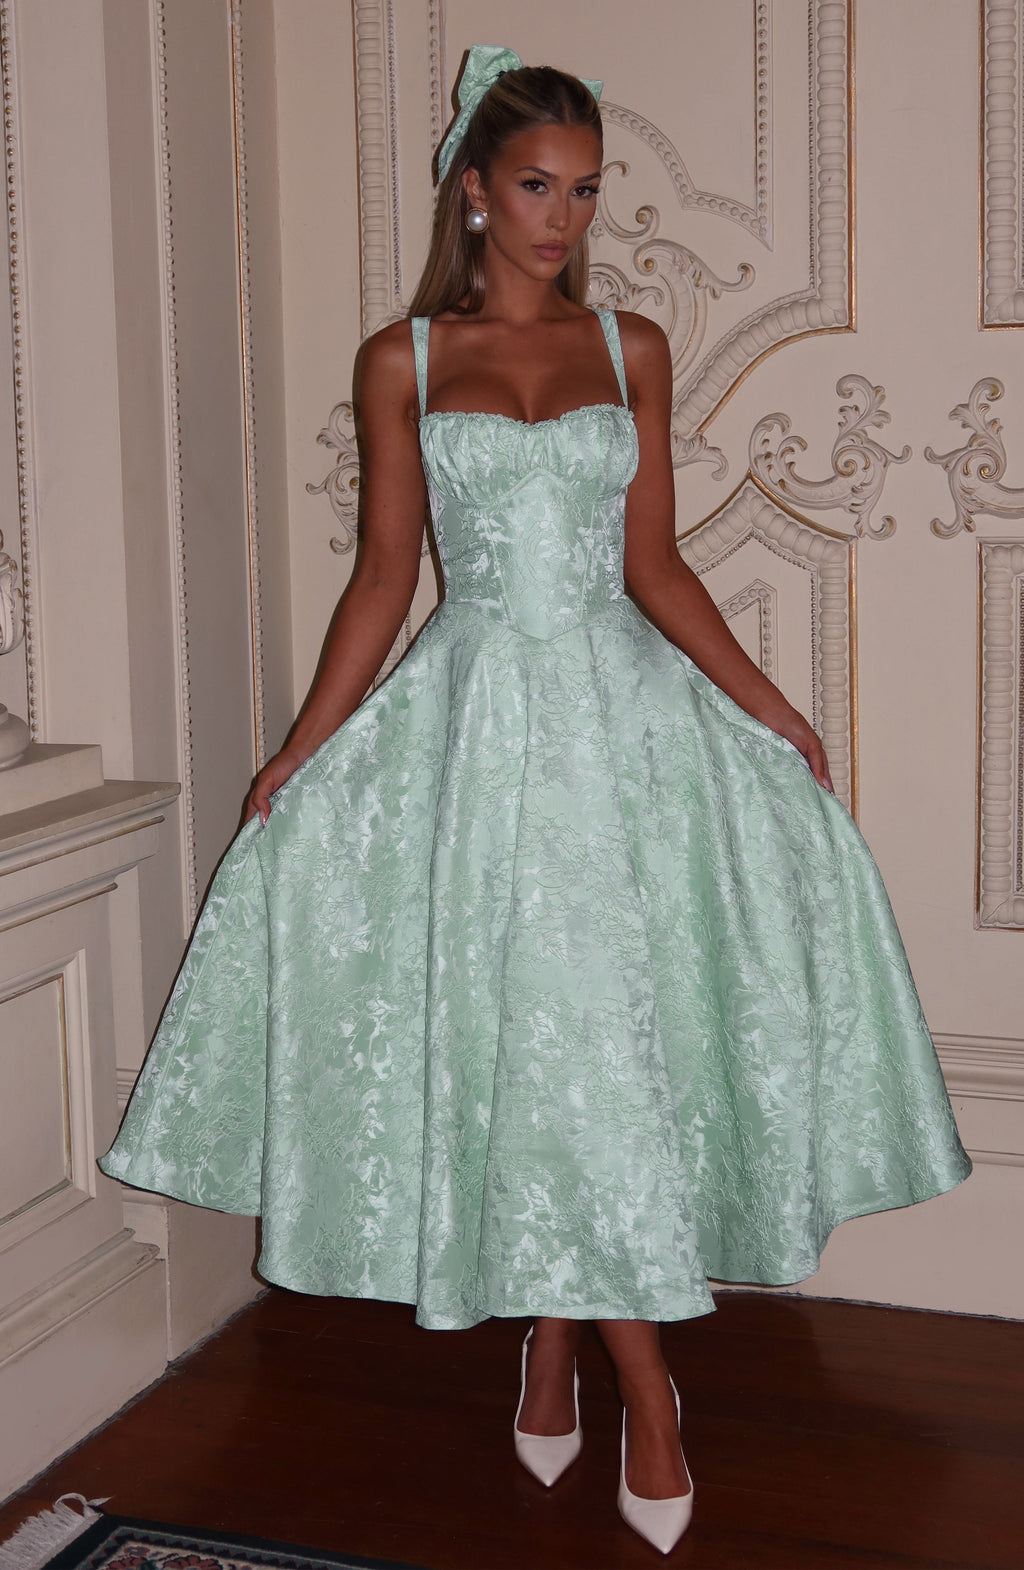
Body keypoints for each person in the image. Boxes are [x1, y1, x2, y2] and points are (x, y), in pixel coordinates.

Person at [101, 46, 971, 1556]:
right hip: (475, 731)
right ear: (474, 191)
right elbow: (387, 576)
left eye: (585, 190)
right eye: (535, 186)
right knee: (526, 1038)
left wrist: (770, 708)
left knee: (598, 1048)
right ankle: (610, 1368)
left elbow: (656, 563)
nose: (563, 218)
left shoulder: (633, 346)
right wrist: (304, 748)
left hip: (619, 731)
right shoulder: (404, 360)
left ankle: (594, 1360)